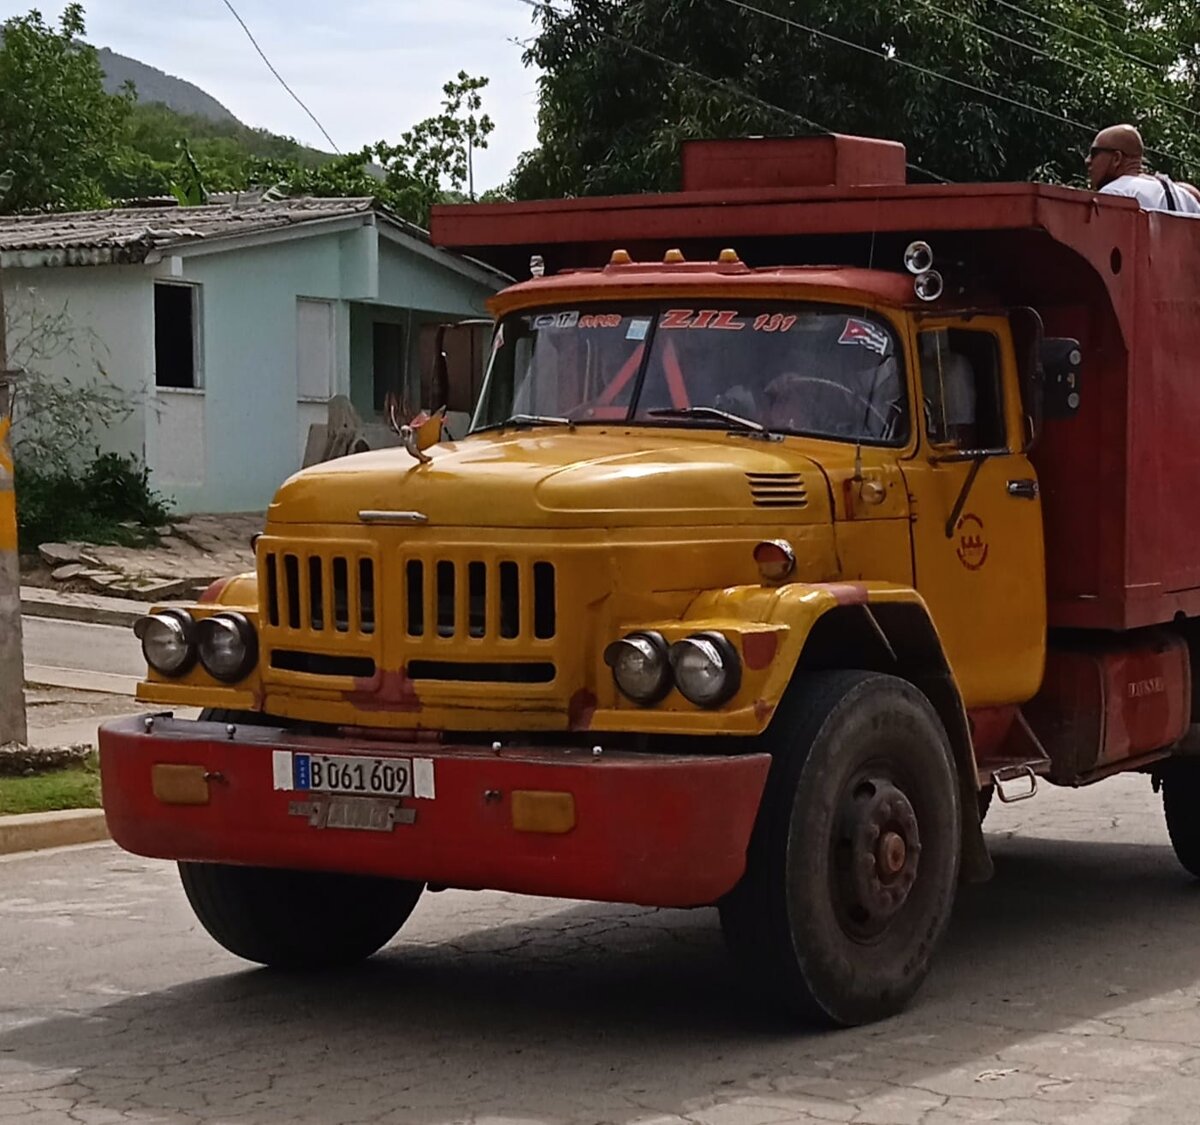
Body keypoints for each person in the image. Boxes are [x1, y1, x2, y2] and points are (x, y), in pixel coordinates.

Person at [1086, 124, 1200, 216]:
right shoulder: (1185, 197)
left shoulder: (1115, 193)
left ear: (1117, 158)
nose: (1087, 160)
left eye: (1094, 153)